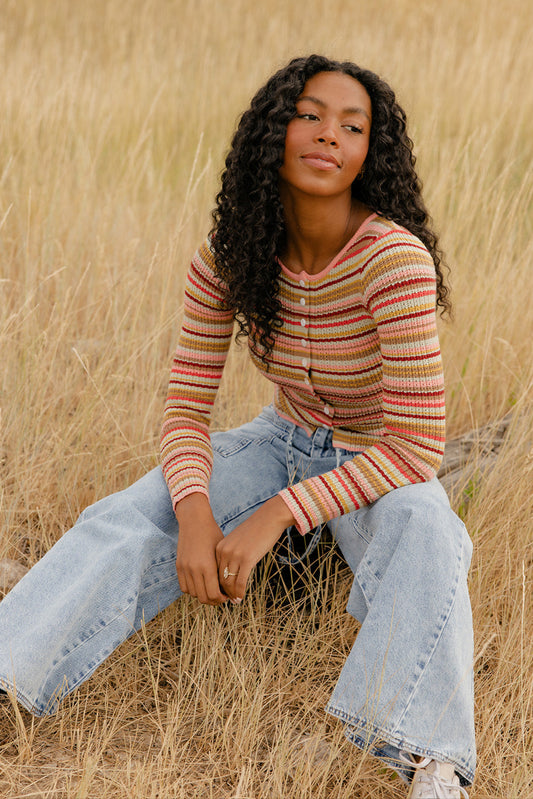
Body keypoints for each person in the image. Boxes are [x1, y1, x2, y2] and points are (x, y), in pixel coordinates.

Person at [0, 55, 474, 798]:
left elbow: (415, 446)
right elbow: (186, 410)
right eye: (310, 115)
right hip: (277, 439)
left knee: (430, 525)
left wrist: (274, 516)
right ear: (273, 132)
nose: (328, 136)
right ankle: (10, 675)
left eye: (353, 127)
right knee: (129, 514)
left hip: (372, 458)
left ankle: (425, 756)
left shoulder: (393, 259)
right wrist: (195, 515)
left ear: (367, 156)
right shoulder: (232, 255)